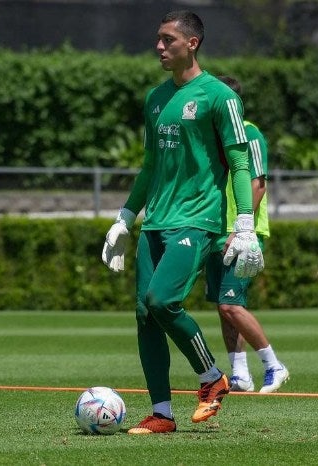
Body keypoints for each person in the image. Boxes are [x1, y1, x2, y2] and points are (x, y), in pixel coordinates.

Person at [101, 11, 264, 435]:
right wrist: (124, 218)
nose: (159, 46)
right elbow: (150, 166)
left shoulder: (219, 97)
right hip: (155, 221)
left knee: (161, 301)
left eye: (168, 39)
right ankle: (162, 414)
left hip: (197, 220)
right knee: (144, 313)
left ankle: (211, 377)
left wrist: (244, 222)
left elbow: (240, 162)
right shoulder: (155, 99)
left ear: (192, 43)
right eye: (158, 39)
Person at [206, 75, 289, 394]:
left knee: (231, 306)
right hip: (217, 231)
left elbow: (258, 182)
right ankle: (240, 373)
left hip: (241, 233)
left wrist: (243, 229)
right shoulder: (216, 137)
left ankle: (273, 365)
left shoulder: (250, 133)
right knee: (223, 305)